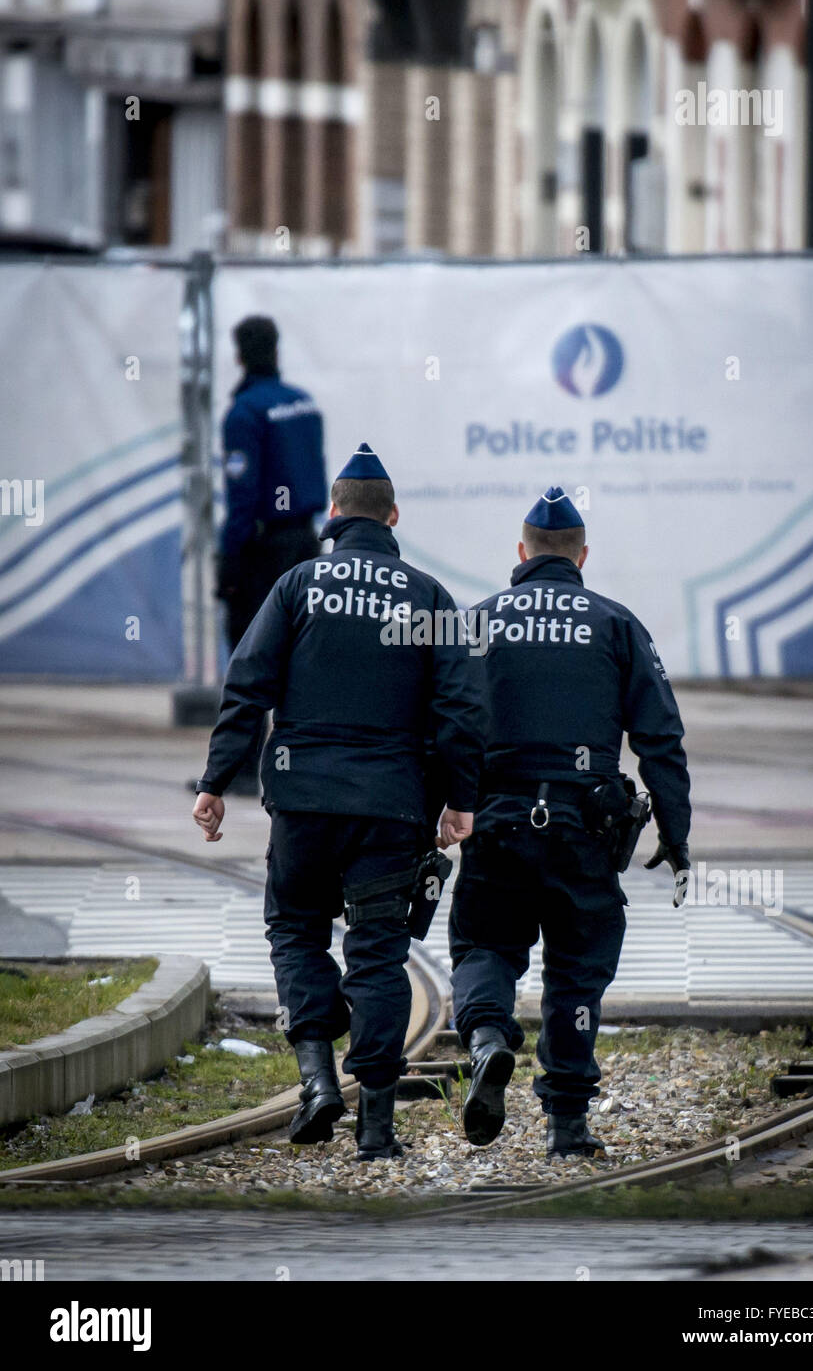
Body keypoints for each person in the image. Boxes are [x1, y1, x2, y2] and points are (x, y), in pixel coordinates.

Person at [192, 444, 486, 1160]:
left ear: (330, 513)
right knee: (379, 957)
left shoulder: (297, 585)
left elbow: (247, 686)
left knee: (295, 931)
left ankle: (318, 1082)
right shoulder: (429, 597)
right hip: (391, 809)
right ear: (392, 517)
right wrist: (459, 802)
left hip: (302, 802)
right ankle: (377, 1131)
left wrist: (214, 780)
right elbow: (460, 709)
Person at [449, 486, 691, 1158]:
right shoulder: (616, 624)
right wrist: (676, 834)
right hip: (584, 830)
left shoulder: (476, 623)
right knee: (576, 971)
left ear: (519, 553)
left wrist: (438, 816)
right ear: (581, 556)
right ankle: (566, 1125)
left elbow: (442, 730)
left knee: (483, 949)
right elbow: (660, 739)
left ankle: (489, 1039)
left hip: (497, 824)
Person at [216, 315, 328, 796]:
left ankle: (241, 770)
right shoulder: (303, 403)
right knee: (302, 655)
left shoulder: (244, 413)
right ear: (277, 350)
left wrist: (229, 563)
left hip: (261, 548)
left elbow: (241, 499)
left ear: (239, 355)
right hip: (305, 541)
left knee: (248, 653)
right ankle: (303, 762)